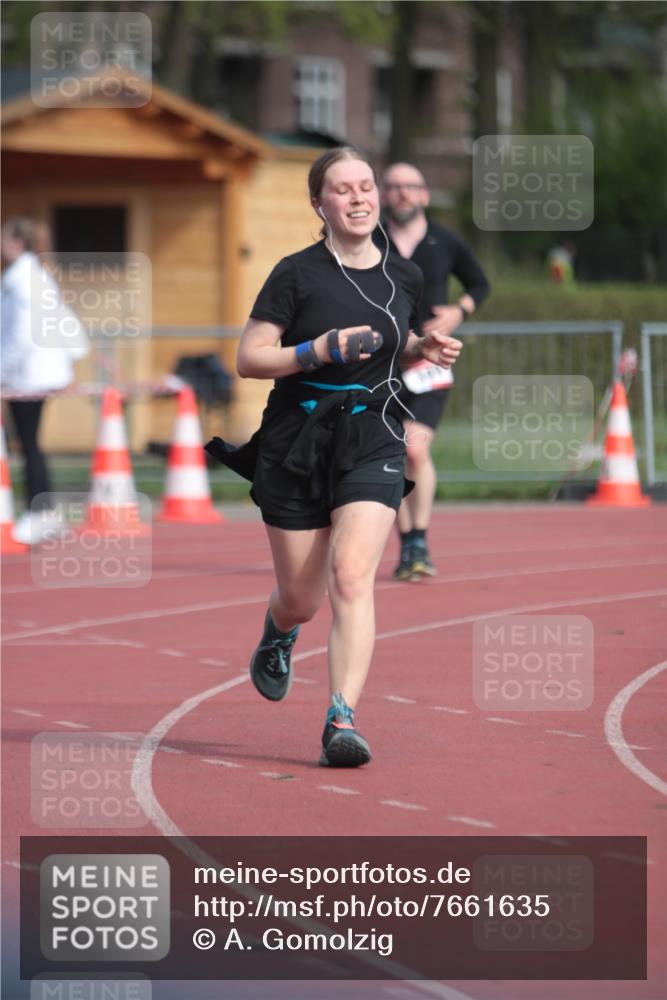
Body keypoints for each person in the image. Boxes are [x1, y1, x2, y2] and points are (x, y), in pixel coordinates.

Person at [206, 147, 462, 767]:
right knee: (304, 596)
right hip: (299, 436)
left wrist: (420, 347)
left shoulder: (404, 275)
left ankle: (341, 718)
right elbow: (250, 358)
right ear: (318, 202)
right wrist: (316, 349)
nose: (358, 198)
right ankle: (280, 630)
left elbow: (386, 346)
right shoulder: (295, 273)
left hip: (373, 432)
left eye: (365, 186)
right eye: (342, 189)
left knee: (352, 575)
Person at [381, 162, 490, 580]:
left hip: (430, 361)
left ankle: (419, 537)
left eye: (410, 186)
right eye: (393, 187)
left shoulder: (445, 241)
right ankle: (407, 545)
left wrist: (459, 312)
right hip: (383, 362)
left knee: (414, 448)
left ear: (424, 194)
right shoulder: (371, 242)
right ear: (383, 196)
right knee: (390, 454)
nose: (403, 193)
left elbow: (480, 284)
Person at [1, 217, 88, 544]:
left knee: (28, 444)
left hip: (28, 376)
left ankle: (38, 514)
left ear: (16, 243)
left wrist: (2, 372)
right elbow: (65, 321)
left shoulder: (22, 280)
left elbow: (20, 334)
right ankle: (44, 513)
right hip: (35, 373)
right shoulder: (35, 277)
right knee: (30, 443)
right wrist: (70, 362)